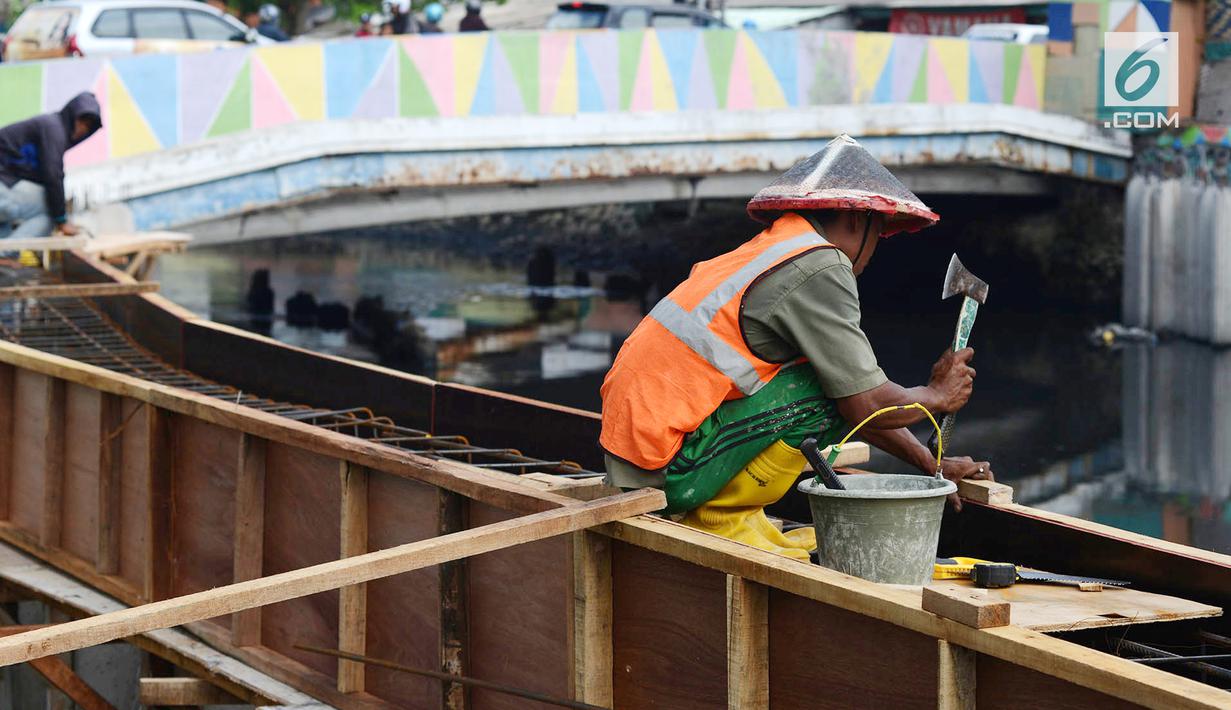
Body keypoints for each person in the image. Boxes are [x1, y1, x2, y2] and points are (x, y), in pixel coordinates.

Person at [599, 135, 994, 560]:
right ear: (857, 220)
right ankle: (717, 517)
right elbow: (863, 404)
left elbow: (856, 398)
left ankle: (732, 511)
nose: (873, 254)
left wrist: (932, 465)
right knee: (831, 390)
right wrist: (935, 396)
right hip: (667, 472)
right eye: (878, 234)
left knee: (831, 385)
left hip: (644, 457)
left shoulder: (778, 250)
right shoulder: (821, 265)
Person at [0, 92, 101, 241]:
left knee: (47, 209)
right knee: (49, 209)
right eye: (81, 121)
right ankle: (6, 251)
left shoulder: (51, 127)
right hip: (3, 185)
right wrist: (62, 220)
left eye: (88, 126)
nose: (82, 128)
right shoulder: (54, 129)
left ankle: (5, 250)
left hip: (6, 183)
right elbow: (53, 176)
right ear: (71, 115)